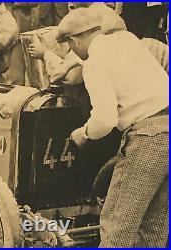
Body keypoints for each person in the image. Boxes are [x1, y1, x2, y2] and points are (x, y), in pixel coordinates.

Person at [56, 7, 169, 248]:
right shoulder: (127, 40)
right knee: (154, 227)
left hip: (147, 137)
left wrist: (84, 133)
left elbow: (105, 120)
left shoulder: (95, 64)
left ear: (73, 41)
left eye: (69, 46)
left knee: (118, 224)